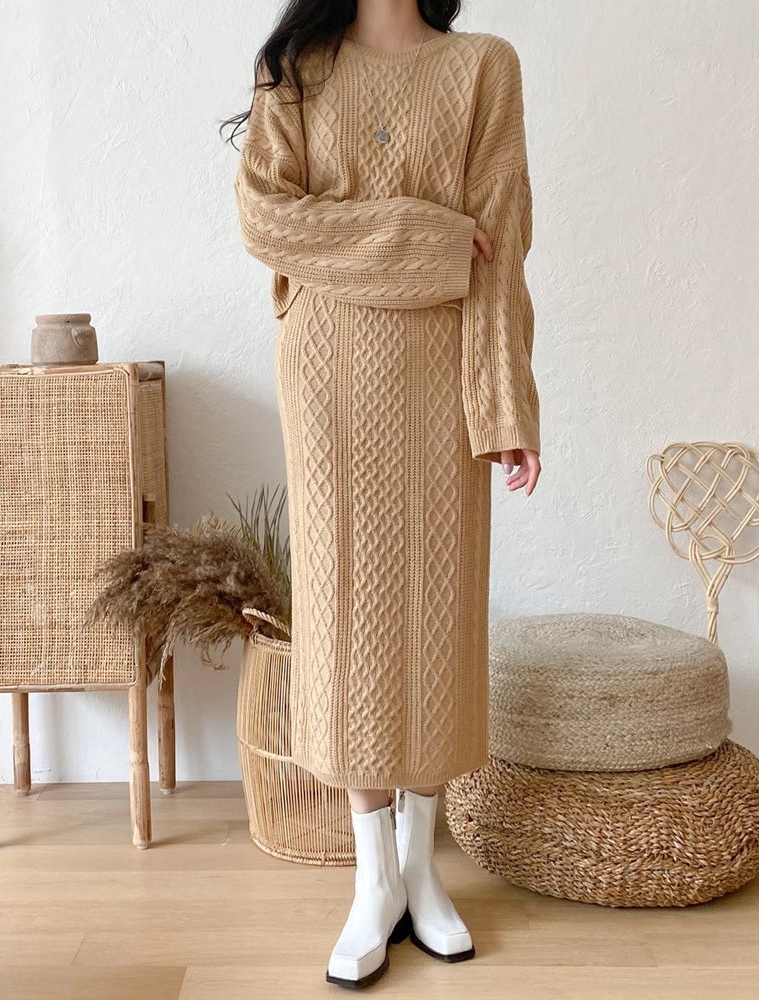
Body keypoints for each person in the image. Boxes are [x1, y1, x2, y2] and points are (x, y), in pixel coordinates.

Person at [226, 0, 542, 989]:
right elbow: (266, 218)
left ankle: (419, 871)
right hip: (327, 375)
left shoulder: (484, 66)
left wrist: (505, 404)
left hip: (442, 377)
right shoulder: (295, 66)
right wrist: (423, 236)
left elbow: (501, 246)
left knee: (437, 611)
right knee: (347, 612)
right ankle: (374, 882)